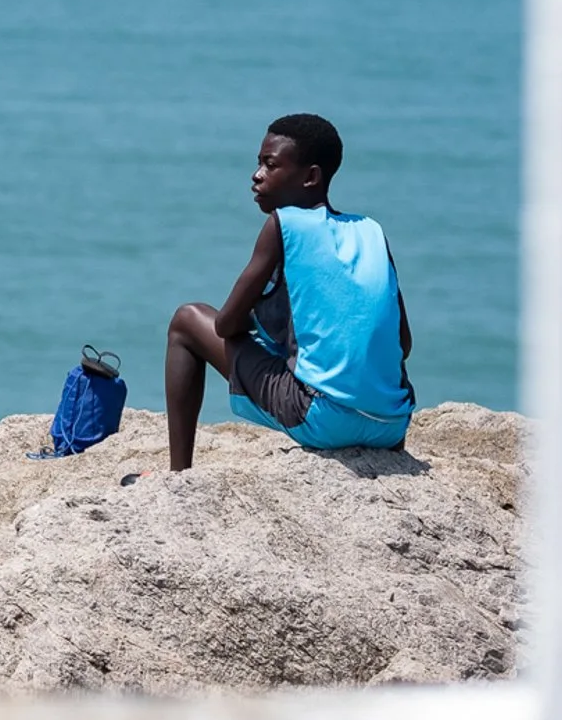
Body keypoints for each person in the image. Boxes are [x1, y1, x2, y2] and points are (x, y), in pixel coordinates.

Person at [162, 113, 415, 473]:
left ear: (311, 177)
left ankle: (178, 475)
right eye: (258, 163)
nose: (256, 175)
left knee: (187, 320)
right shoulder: (371, 230)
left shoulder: (283, 224)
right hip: (391, 425)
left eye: (270, 165)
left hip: (322, 420)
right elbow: (402, 345)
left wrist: (255, 319)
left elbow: (224, 325)